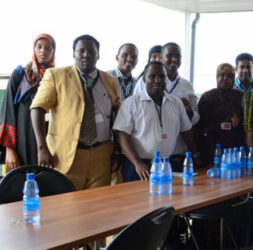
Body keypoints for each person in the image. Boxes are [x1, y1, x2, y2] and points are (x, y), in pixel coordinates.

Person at [31, 34, 121, 190]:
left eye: (91, 51)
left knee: (98, 206)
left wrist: (117, 149)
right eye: (81, 51)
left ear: (98, 55)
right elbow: (37, 109)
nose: (86, 55)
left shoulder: (110, 80)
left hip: (102, 155)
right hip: (66, 155)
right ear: (73, 54)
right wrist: (42, 147)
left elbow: (118, 115)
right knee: (66, 207)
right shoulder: (56, 76)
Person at [113, 62, 198, 181]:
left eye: (162, 77)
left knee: (168, 199)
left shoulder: (176, 102)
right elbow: (122, 135)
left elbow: (186, 130)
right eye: (152, 76)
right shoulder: (131, 103)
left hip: (167, 165)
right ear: (144, 79)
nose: (157, 80)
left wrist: (195, 154)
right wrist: (137, 163)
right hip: (139, 167)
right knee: (137, 199)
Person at [133, 42, 199, 170]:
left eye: (178, 56)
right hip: (150, 156)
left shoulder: (187, 85)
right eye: (169, 55)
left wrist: (188, 112)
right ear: (161, 57)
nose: (174, 59)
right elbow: (136, 114)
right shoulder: (144, 81)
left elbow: (195, 119)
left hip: (178, 153)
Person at [0, 34, 55, 171]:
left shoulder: (57, 76)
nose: (43, 51)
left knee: (49, 183)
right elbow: (8, 112)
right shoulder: (20, 74)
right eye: (39, 47)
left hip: (50, 141)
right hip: (23, 141)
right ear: (34, 49)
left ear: (53, 51)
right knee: (22, 184)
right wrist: (9, 149)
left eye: (48, 48)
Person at [195, 63, 245, 167]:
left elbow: (246, 123)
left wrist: (238, 118)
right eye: (222, 75)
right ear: (217, 77)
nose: (225, 78)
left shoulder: (240, 97)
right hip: (211, 147)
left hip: (234, 147)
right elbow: (200, 125)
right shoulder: (207, 97)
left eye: (230, 76)